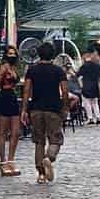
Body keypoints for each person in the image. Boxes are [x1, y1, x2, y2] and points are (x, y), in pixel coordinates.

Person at [22, 40, 69, 182]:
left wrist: (24, 109)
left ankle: (41, 175)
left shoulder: (32, 70)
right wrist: (65, 107)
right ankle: (49, 158)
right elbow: (65, 91)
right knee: (56, 139)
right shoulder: (58, 71)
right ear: (53, 55)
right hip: (53, 109)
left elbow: (26, 91)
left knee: (39, 141)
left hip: (35, 109)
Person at [0, 46, 24, 174]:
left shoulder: (14, 68)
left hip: (12, 96)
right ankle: (3, 161)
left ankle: (11, 159)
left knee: (16, 132)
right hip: (4, 97)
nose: (12, 56)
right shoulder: (4, 67)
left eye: (14, 53)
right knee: (3, 132)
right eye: (9, 53)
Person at [79, 45, 100, 120]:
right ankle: (98, 117)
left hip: (86, 87)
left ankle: (90, 118)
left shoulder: (84, 66)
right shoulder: (97, 66)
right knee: (95, 103)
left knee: (87, 103)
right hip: (95, 87)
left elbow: (78, 74)